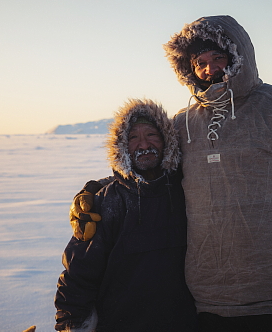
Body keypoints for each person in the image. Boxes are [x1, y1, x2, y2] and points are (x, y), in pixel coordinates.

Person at [70, 15, 272, 332]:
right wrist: (94, 194)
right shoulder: (182, 125)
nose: (210, 69)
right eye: (200, 62)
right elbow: (150, 174)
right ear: (188, 69)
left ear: (239, 56)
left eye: (218, 57)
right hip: (206, 304)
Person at [54, 98, 198, 332]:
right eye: (133, 138)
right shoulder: (108, 201)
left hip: (183, 322)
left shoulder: (187, 192)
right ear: (122, 147)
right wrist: (72, 323)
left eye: (152, 135)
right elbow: (79, 272)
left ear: (168, 141)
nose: (143, 145)